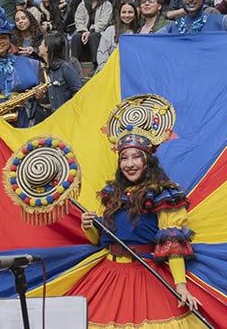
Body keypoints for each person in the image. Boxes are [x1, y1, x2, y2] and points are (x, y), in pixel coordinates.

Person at [70, 94, 202, 327]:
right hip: (107, 274)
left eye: (135, 157)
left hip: (145, 274)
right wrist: (89, 226)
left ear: (147, 161)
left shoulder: (163, 194)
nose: (129, 164)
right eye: (124, 158)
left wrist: (180, 285)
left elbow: (173, 243)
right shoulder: (111, 193)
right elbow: (101, 239)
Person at [34, 33, 83, 122]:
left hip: (61, 118)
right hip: (42, 116)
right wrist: (39, 96)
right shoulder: (41, 68)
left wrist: (69, 112)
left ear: (47, 48)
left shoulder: (65, 67)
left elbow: (78, 92)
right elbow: (43, 97)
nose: (39, 47)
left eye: (41, 44)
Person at [70, 0, 113, 68]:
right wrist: (83, 31)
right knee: (76, 37)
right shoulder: (83, 3)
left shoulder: (107, 4)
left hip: (99, 32)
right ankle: (74, 65)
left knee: (94, 36)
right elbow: (78, 19)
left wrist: (90, 31)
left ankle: (95, 65)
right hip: (84, 32)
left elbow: (104, 22)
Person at [97, 2, 140, 70]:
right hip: (110, 71)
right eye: (123, 12)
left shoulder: (139, 32)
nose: (127, 15)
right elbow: (102, 54)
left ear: (135, 15)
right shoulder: (110, 30)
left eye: (130, 12)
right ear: (119, 14)